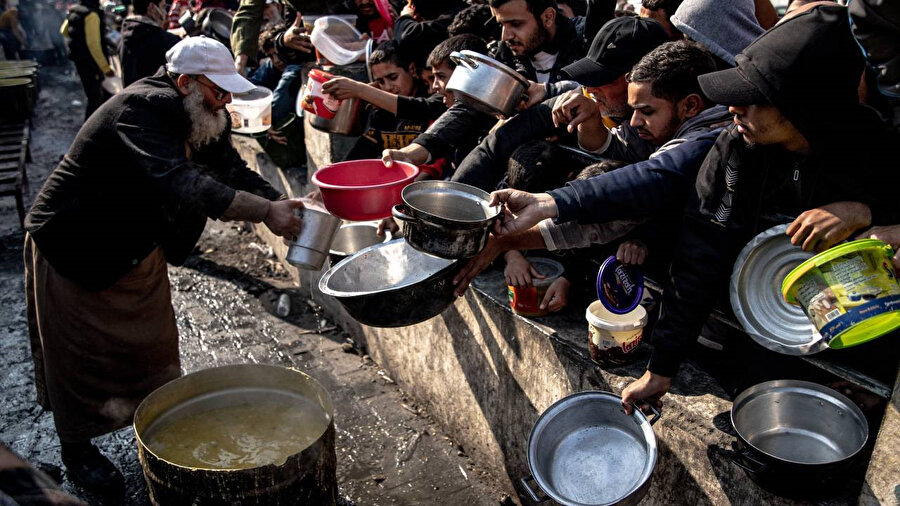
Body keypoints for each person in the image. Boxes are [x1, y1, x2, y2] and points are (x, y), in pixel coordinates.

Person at [23, 37, 303, 497]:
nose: (226, 101)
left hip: (136, 246)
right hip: (76, 246)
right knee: (77, 359)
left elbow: (229, 169)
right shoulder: (139, 110)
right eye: (219, 92)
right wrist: (262, 212)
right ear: (186, 83)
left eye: (228, 92)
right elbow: (181, 182)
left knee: (152, 351)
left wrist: (280, 203)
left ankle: (157, 428)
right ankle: (77, 449)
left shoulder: (204, 114)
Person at [613, 4, 900, 413]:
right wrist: (662, 367)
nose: (734, 109)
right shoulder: (738, 146)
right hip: (764, 329)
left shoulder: (877, 152)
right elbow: (700, 251)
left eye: (750, 98)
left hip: (858, 346)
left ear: (799, 103)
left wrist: (866, 212)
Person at [454, 40, 730, 294]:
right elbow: (610, 212)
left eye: (646, 111)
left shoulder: (713, 139)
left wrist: (548, 202)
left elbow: (648, 180)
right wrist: (508, 241)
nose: (633, 123)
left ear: (691, 105)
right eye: (633, 111)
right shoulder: (664, 133)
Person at [451, 16, 670, 190]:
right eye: (589, 77)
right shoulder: (580, 100)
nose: (591, 89)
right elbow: (497, 144)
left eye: (604, 80)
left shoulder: (682, 134)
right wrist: (454, 198)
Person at [60, 0, 113, 119]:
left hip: (79, 60)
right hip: (91, 63)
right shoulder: (91, 15)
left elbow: (63, 31)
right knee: (95, 97)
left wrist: (78, 41)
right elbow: (94, 45)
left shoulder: (75, 10)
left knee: (97, 95)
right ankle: (90, 128)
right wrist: (105, 68)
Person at [119, 0, 181, 87]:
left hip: (130, 98)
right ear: (152, 7)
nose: (165, 13)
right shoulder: (163, 41)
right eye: (163, 7)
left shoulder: (125, 38)